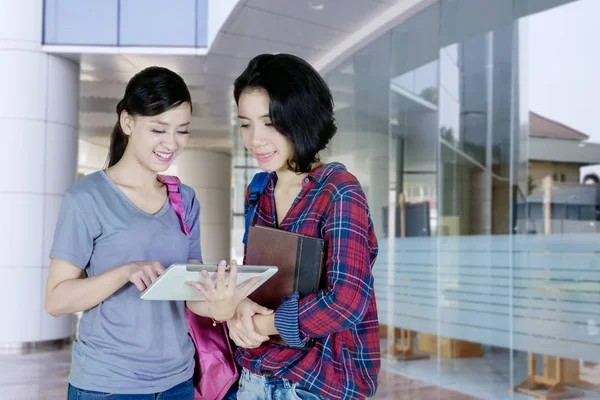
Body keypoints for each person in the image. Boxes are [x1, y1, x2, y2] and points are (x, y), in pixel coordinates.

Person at [44, 66, 251, 400]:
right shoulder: (87, 198)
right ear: (128, 122)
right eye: (159, 129)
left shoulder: (184, 199)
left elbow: (192, 293)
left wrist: (222, 305)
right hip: (107, 386)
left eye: (182, 131)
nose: (172, 143)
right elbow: (56, 300)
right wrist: (126, 271)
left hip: (178, 383)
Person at [226, 54, 380, 400]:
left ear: (301, 118)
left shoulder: (338, 190)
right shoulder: (259, 189)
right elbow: (261, 282)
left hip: (315, 384)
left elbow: (347, 301)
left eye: (269, 123)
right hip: (255, 376)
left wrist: (263, 325)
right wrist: (240, 310)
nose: (255, 139)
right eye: (245, 123)